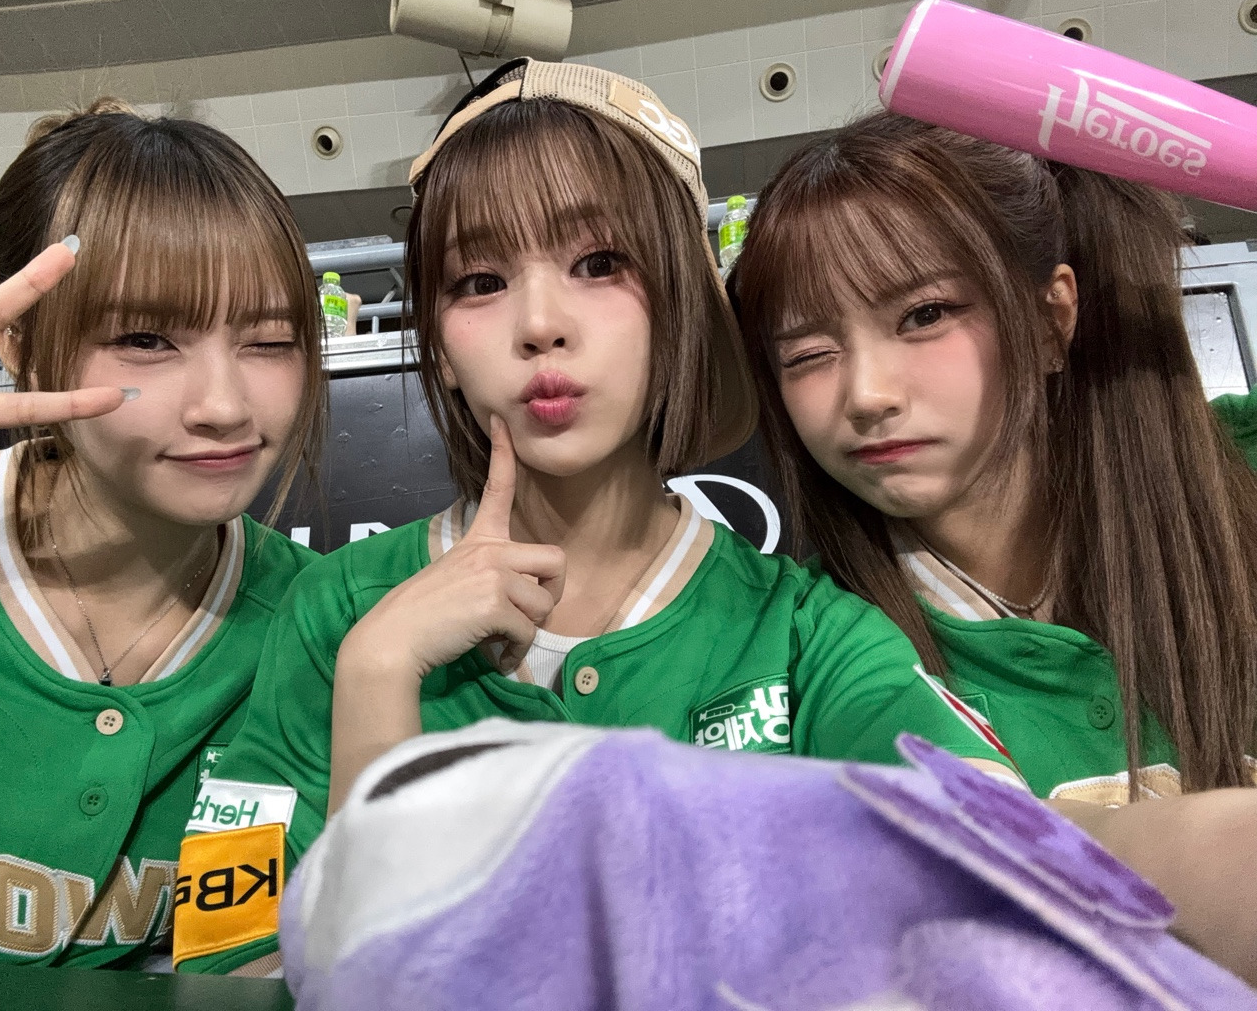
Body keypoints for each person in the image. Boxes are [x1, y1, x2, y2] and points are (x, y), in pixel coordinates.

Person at [173, 61, 1019, 978]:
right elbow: (221, 964)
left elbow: (1007, 884)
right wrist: (378, 676)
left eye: (600, 264)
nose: (540, 323)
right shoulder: (339, 613)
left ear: (681, 305)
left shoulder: (801, 635)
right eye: (479, 280)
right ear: (440, 348)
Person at [734, 109, 1257, 980]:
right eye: (809, 352)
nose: (867, 394)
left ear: (1052, 318)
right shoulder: (818, 652)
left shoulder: (1238, 477)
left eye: (923, 315)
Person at [0, 99, 325, 967]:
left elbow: (244, 962)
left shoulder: (320, 630)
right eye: (145, 338)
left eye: (270, 340)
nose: (224, 406)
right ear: (21, 346)